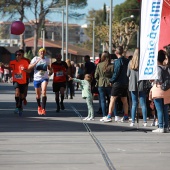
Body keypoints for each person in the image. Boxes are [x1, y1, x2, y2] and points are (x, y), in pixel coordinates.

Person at [103, 46, 129, 123]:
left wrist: (111, 80)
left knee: (113, 99)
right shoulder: (127, 61)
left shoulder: (117, 62)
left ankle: (109, 116)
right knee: (124, 100)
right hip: (125, 82)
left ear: (116, 53)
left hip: (118, 83)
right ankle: (126, 116)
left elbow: (116, 73)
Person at [150, 50, 170, 133]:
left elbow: (158, 79)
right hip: (167, 90)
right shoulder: (167, 68)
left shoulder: (157, 68)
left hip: (158, 89)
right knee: (165, 109)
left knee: (159, 109)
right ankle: (166, 127)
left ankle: (160, 126)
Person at [127, 48, 148, 127]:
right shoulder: (143, 62)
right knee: (143, 103)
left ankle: (132, 120)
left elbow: (127, 74)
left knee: (134, 103)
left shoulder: (130, 63)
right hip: (142, 83)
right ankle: (145, 121)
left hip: (132, 84)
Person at [28, 48, 51, 115]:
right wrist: (35, 63)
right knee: (38, 95)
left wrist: (50, 70)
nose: (42, 53)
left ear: (45, 53)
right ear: (39, 53)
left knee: (44, 91)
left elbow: (49, 68)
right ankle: (39, 107)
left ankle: (43, 109)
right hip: (36, 78)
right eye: (41, 52)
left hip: (44, 78)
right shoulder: (35, 58)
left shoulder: (47, 59)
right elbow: (29, 67)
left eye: (43, 52)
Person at [94, 51, 114, 121]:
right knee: (111, 100)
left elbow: (96, 75)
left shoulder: (99, 65)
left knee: (102, 100)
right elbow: (114, 75)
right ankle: (111, 114)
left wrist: (98, 79)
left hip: (101, 83)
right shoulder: (112, 65)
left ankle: (104, 115)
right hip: (109, 83)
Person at [9, 50, 30, 116]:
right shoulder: (12, 62)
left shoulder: (25, 61)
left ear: (22, 55)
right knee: (17, 91)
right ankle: (17, 106)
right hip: (16, 80)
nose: (17, 56)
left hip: (23, 80)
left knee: (22, 94)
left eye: (19, 54)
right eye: (16, 55)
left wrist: (25, 70)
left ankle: (21, 103)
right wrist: (10, 75)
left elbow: (29, 71)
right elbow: (10, 68)